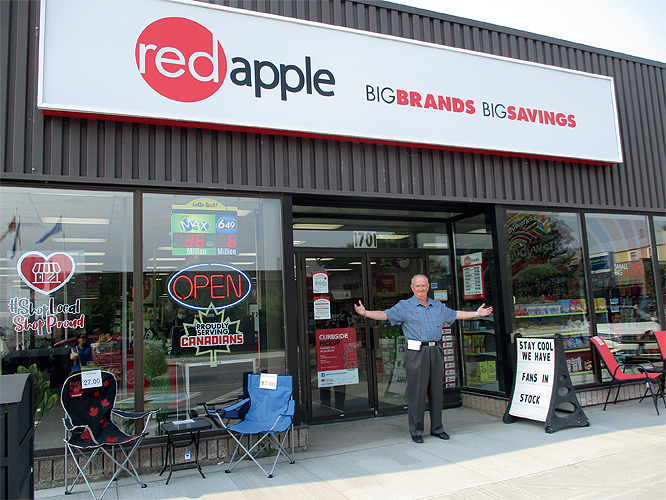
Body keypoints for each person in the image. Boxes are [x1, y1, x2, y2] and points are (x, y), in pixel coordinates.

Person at [354, 274, 493, 444]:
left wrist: (476, 313)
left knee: (436, 391)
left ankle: (437, 428)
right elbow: (384, 315)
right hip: (416, 353)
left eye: (424, 286)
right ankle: (417, 430)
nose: (421, 288)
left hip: (435, 350)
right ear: (412, 288)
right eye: (417, 286)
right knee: (417, 393)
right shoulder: (405, 306)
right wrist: (365, 313)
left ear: (428, 287)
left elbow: (455, 314)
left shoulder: (437, 306)